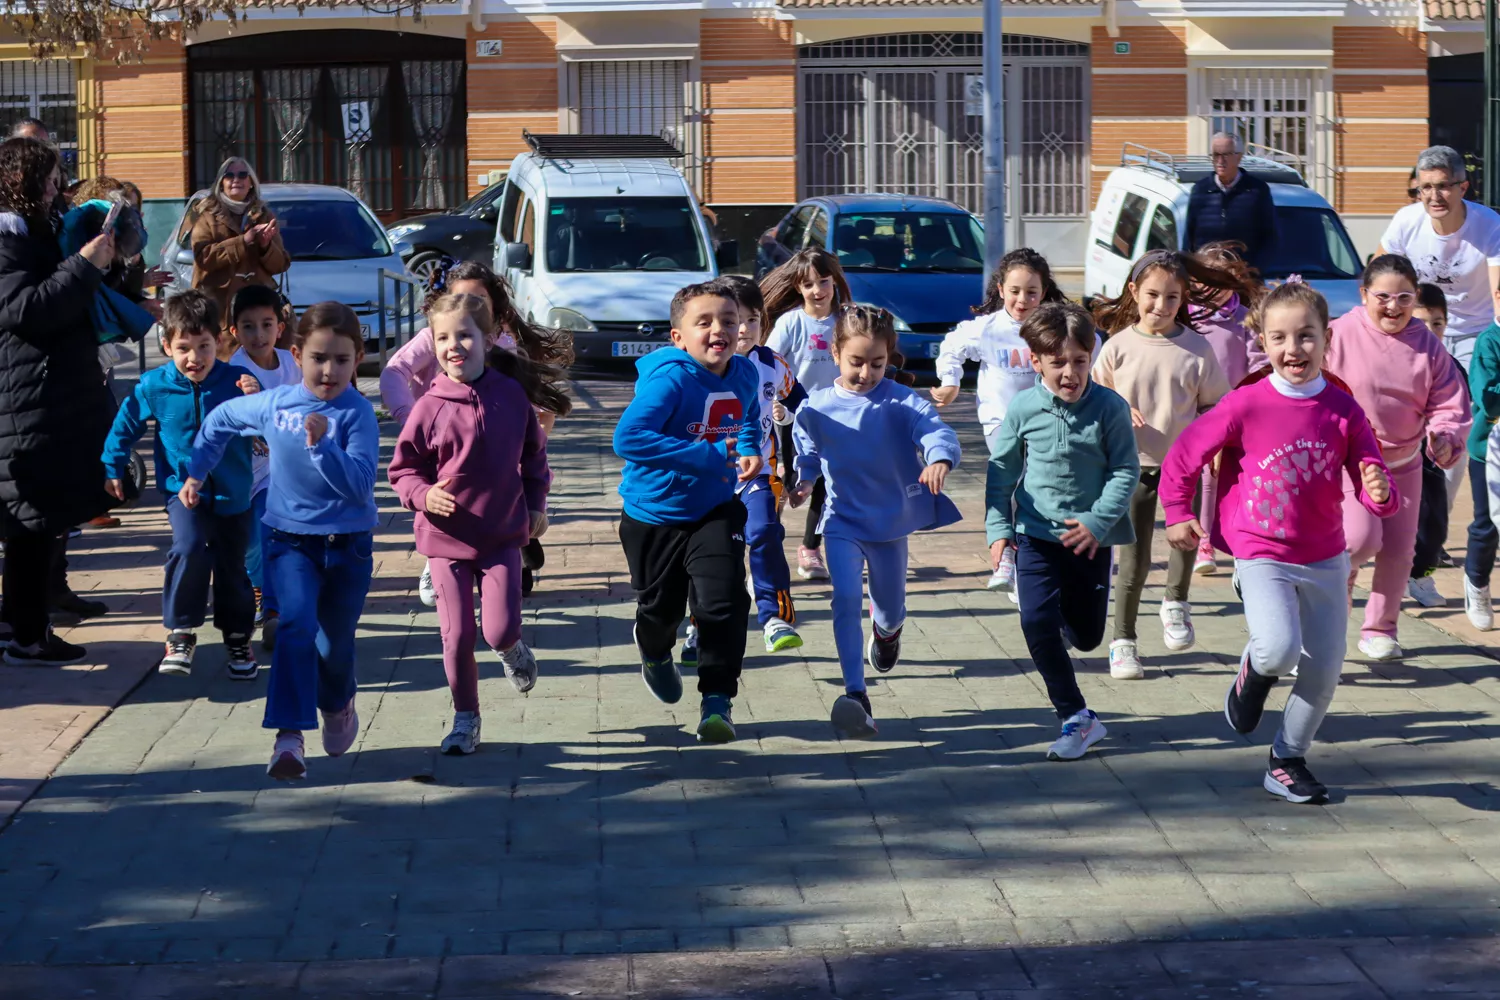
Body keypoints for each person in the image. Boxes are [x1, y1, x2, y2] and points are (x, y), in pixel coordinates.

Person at [1161, 280, 1397, 805]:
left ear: (1326, 338)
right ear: (1262, 342)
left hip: (1325, 555)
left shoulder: (1343, 409)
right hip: (1259, 548)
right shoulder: (1245, 403)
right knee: (1278, 647)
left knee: (1324, 669)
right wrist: (1177, 512)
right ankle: (1254, 670)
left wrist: (1379, 490)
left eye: (1306, 336)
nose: (1294, 349)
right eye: (1280, 338)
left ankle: (1287, 759)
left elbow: (1374, 484)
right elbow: (1183, 456)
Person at [183, 302, 380, 781]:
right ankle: (288, 737)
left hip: (346, 547)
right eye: (318, 358)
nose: (329, 370)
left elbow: (358, 485)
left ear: (358, 360)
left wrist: (323, 447)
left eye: (341, 359)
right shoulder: (278, 403)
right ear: (297, 355)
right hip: (289, 541)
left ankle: (338, 705)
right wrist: (195, 472)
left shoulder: (357, 414)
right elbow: (221, 421)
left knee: (333, 648)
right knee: (292, 626)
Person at [389, 293, 549, 756]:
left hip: (502, 536)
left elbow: (533, 457)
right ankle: (466, 718)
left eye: (463, 335)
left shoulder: (510, 394)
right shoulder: (428, 406)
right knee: (456, 634)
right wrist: (423, 495)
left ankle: (513, 650)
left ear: (487, 339)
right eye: (442, 337)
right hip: (445, 541)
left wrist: (536, 502)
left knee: (498, 630)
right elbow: (403, 470)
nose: (453, 345)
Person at [790, 304, 960, 738]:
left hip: (890, 521)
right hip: (842, 520)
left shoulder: (900, 400)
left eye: (878, 363)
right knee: (845, 600)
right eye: (857, 362)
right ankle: (856, 694)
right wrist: (804, 481)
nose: (866, 372)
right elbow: (806, 451)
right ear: (836, 353)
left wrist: (940, 457)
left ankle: (888, 631)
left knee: (889, 605)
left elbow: (936, 431)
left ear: (889, 358)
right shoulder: (817, 406)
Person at [1091, 249, 1253, 679]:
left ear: (1184, 300)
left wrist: (1214, 445)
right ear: (1133, 292)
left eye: (1172, 298)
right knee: (1133, 559)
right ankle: (1123, 642)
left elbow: (1217, 407)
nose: (1160, 306)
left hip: (1185, 469)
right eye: (1152, 295)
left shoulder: (1197, 349)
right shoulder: (1117, 348)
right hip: (1130, 468)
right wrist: (1117, 410)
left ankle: (1175, 604)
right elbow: (1094, 401)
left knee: (1185, 541)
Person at [986, 302, 1138, 760]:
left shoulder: (1110, 407)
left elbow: (1125, 471)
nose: (1070, 372)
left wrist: (1096, 521)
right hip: (1035, 535)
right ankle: (1076, 716)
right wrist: (999, 530)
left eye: (1079, 360)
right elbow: (1001, 472)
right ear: (1036, 361)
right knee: (1035, 622)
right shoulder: (1024, 406)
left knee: (1088, 636)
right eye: (1058, 363)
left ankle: (1067, 634)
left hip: (1090, 541)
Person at [613, 280, 763, 744]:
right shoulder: (670, 379)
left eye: (729, 321)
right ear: (678, 336)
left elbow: (749, 419)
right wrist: (710, 455)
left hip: (715, 509)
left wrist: (750, 448)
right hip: (653, 516)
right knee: (661, 612)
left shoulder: (745, 373)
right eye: (705, 322)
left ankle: (717, 701)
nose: (719, 330)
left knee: (723, 604)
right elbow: (629, 439)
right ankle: (654, 650)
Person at [380, 260, 572, 604]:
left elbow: (518, 396)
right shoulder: (431, 338)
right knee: (447, 498)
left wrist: (535, 422)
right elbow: (394, 373)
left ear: (494, 307)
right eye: (461, 299)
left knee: (508, 493)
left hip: (492, 443)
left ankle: (513, 551)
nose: (469, 309)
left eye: (479, 300)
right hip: (444, 445)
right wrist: (410, 417)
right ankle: (436, 558)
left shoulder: (502, 342)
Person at [0, 136, 117, 664]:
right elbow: (27, 309)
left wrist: (103, 259)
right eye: (48, 178)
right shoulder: (6, 239)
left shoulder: (39, 230)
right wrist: (84, 266)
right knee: (29, 523)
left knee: (42, 520)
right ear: (22, 181)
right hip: (23, 397)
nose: (57, 187)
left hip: (47, 393)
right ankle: (25, 634)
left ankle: (26, 626)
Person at [100, 290, 260, 677]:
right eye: (183, 348)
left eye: (204, 347)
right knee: (188, 548)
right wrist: (113, 466)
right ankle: (181, 631)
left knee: (232, 564)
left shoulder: (238, 382)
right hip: (181, 490)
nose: (195, 358)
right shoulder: (154, 385)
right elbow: (125, 426)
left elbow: (268, 426)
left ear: (219, 342)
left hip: (234, 492)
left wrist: (259, 402)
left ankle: (238, 638)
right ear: (167, 345)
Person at [1325, 254, 1471, 661]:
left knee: (1398, 549)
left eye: (1404, 297)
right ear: (1364, 295)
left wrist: (1443, 435)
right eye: (1383, 296)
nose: (1393, 307)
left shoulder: (1426, 344)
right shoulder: (1338, 333)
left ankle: (1380, 628)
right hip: (1350, 462)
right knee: (1357, 539)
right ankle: (1327, 619)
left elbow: (1449, 401)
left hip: (1405, 460)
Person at [683, 274, 806, 664]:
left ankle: (774, 618)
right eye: (737, 320)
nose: (745, 330)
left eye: (753, 320)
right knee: (711, 556)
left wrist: (800, 445)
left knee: (765, 531)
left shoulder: (773, 365)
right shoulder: (693, 368)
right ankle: (698, 628)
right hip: (707, 478)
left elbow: (804, 404)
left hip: (760, 475)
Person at [931, 248, 1066, 596]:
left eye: (1032, 292)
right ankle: (1006, 554)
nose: (1023, 300)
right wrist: (950, 381)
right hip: (1000, 422)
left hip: (1046, 423)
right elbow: (951, 347)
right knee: (1009, 483)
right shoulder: (988, 329)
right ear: (1001, 289)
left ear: (1044, 292)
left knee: (1035, 490)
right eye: (1016, 291)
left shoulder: (1056, 325)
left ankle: (1028, 559)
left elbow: (1092, 346)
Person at [763, 248, 850, 582]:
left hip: (836, 416)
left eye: (823, 281)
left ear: (834, 281)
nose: (818, 290)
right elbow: (768, 362)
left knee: (826, 483)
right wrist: (773, 401)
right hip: (791, 417)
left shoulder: (846, 319)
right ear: (797, 287)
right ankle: (768, 549)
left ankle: (811, 550)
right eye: (809, 284)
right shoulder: (791, 322)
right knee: (785, 485)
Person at [1185, 242, 1266, 577]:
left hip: (1239, 411)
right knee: (1207, 475)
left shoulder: (1245, 319)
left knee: (1241, 478)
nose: (1214, 290)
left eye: (1222, 281)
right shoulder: (1188, 319)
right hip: (1200, 410)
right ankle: (1204, 541)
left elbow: (1258, 363)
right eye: (1207, 282)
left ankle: (1240, 540)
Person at [1379, 145, 1500, 368]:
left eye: (1443, 186)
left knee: (1469, 397)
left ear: (1463, 188)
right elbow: (1379, 275)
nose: (1434, 197)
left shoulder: (1490, 225)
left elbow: (1498, 292)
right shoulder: (1406, 221)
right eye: (1426, 187)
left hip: (1474, 332)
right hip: (1419, 328)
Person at [229, 283, 302, 650]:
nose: (259, 334)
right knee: (255, 545)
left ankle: (273, 611)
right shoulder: (234, 372)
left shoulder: (291, 363)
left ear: (280, 324)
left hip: (286, 474)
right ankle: (261, 594)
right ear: (234, 332)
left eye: (266, 324)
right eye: (248, 326)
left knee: (276, 539)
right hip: (249, 477)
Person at [190, 157, 290, 358]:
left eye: (243, 175)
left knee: (261, 371)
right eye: (229, 175)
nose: (237, 179)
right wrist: (243, 241)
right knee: (225, 371)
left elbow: (281, 264)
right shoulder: (206, 215)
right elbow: (203, 257)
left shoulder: (264, 215)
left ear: (251, 182)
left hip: (258, 310)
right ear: (221, 183)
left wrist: (264, 247)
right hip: (221, 312)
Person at [1408, 284, 1459, 609]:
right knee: (1375, 530)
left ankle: (1421, 575)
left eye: (1437, 324)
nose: (1430, 331)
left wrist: (1450, 437)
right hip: (1389, 459)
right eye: (1422, 323)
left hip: (1430, 463)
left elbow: (1461, 407)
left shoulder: (1450, 365)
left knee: (1434, 525)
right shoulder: (1393, 360)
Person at [1184, 132, 1278, 268]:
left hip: (1243, 279)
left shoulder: (1257, 191)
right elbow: (1189, 240)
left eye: (1226, 155)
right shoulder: (1200, 190)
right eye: (1216, 155)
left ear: (1239, 157)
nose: (1220, 161)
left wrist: (1254, 272)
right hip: (1207, 278)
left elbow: (1270, 238)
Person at [1464, 308, 1500, 631]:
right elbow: (1487, 396)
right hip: (1488, 450)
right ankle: (1477, 582)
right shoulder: (1488, 341)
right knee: (1487, 523)